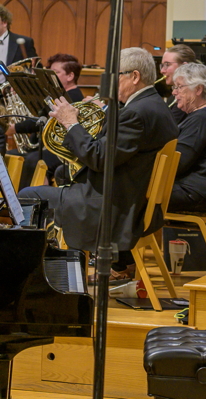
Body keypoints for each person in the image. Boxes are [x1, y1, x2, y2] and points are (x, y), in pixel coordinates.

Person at [19, 47, 178, 282]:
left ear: (134, 77)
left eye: (115, 75)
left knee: (29, 194)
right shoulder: (153, 105)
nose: (109, 83)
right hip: (134, 199)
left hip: (115, 207)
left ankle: (32, 276)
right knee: (64, 174)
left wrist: (72, 123)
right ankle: (65, 264)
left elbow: (99, 158)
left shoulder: (135, 113)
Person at [6, 53, 84, 189]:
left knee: (34, 161)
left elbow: (48, 119)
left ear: (70, 76)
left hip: (64, 150)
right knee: (10, 155)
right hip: (48, 146)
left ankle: (37, 203)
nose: (50, 77)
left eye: (56, 73)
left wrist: (17, 128)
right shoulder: (56, 95)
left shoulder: (74, 97)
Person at [168, 63, 206, 213]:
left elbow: (178, 162)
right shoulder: (204, 115)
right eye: (174, 87)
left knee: (130, 191)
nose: (175, 93)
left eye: (179, 87)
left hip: (193, 192)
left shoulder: (204, 117)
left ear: (198, 89)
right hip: (194, 187)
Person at [0, 4, 37, 154]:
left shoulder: (25, 42)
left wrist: (22, 85)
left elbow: (32, 69)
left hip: (10, 96)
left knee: (2, 136)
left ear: (4, 22)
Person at [160, 44, 198, 124]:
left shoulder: (186, 97)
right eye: (162, 66)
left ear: (184, 66)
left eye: (167, 65)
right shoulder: (175, 94)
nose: (162, 71)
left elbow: (166, 127)